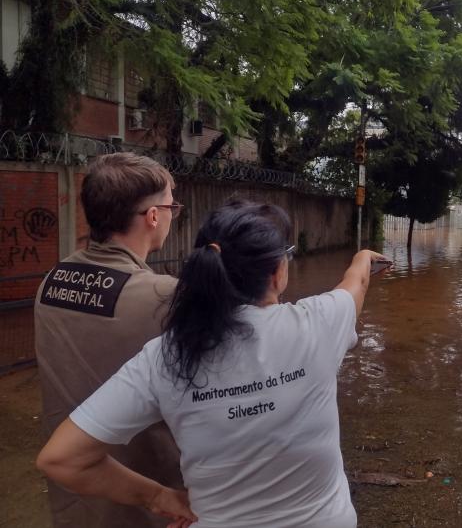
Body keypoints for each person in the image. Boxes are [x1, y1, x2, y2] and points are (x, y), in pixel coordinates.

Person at [37, 200, 390, 528]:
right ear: (277, 273)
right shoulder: (320, 324)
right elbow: (355, 285)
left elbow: (61, 459)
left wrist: (159, 496)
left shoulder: (165, 356)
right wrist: (362, 258)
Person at [34, 152, 183, 528]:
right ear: (153, 216)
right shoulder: (167, 297)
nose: (171, 215)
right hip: (154, 504)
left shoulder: (52, 281)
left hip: (75, 494)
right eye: (171, 206)